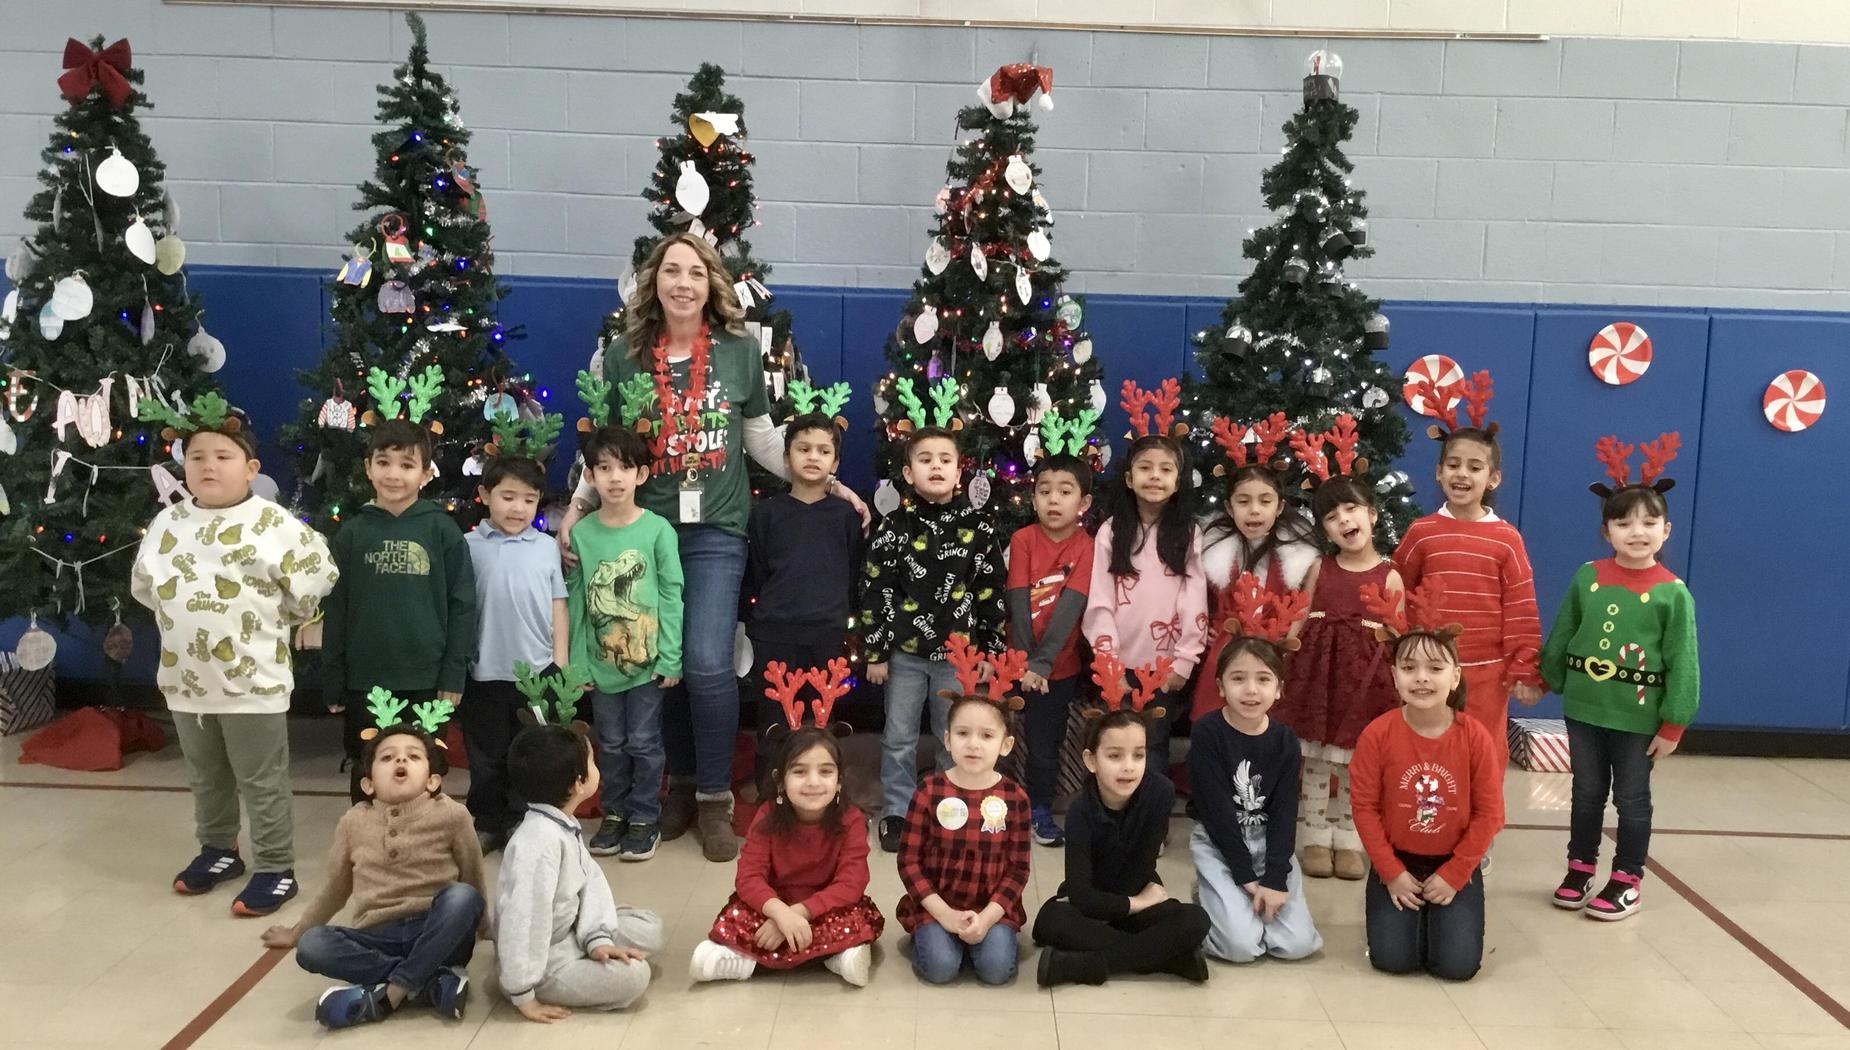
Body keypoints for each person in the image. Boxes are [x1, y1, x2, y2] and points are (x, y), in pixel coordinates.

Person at [556, 233, 868, 862]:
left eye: (695, 272)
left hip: (717, 528)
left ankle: (715, 800)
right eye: (670, 271)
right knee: (654, 664)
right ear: (654, 282)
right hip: (643, 532)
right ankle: (675, 788)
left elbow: (759, 437)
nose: (682, 283)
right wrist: (580, 504)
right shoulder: (623, 356)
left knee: (704, 662)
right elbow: (611, 447)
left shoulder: (737, 351)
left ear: (712, 284)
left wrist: (827, 479)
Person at [130, 399, 336, 916]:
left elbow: (314, 578)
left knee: (260, 778)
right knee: (207, 776)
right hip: (186, 681)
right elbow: (146, 587)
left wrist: (282, 619)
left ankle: (275, 866)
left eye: (222, 456)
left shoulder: (272, 523)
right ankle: (218, 850)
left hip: (253, 682)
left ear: (249, 468)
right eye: (196, 456)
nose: (207, 466)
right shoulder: (167, 523)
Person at [1541, 434, 1699, 921]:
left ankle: (1627, 878)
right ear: (1606, 529)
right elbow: (1565, 631)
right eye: (1624, 521)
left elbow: (1684, 662)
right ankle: (1580, 867)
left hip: (1637, 716)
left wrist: (1673, 723)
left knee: (1632, 797)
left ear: (1667, 530)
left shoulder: (1674, 594)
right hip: (1585, 709)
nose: (1637, 531)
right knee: (1586, 791)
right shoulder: (1587, 576)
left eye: (1650, 522)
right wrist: (1546, 678)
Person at [260, 706, 487, 1028]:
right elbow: (336, 888)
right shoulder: (353, 822)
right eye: (387, 757)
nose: (400, 761)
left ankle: (392, 993)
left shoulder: (452, 814)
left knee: (462, 896)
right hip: (378, 934)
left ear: (433, 779)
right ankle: (430, 981)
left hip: (437, 929)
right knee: (312, 946)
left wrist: (487, 929)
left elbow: (473, 874)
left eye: (413, 756)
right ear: (367, 784)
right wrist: (298, 931)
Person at [690, 660, 883, 986]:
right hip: (773, 907)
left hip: (824, 909)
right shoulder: (767, 816)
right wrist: (780, 913)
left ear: (838, 781)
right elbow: (748, 877)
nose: (813, 782)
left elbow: (851, 883)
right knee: (737, 917)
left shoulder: (850, 820)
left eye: (825, 772)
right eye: (799, 771)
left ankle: (837, 957)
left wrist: (801, 913)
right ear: (780, 781)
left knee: (857, 920)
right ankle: (744, 961)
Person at [861, 426, 1007, 853]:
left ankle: (951, 808)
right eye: (925, 460)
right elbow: (875, 589)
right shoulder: (893, 528)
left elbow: (990, 592)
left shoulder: (979, 527)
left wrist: (989, 652)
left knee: (955, 736)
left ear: (959, 473)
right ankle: (897, 811)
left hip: (958, 658)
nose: (936, 467)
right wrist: (876, 651)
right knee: (899, 735)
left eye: (945, 459)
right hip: (904, 655)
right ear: (909, 473)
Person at [1393, 372, 1543, 783]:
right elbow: (1396, 593)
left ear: (1492, 479)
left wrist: (1524, 668)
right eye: (1453, 465)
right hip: (1428, 667)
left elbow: (1521, 608)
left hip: (1486, 672)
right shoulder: (1421, 532)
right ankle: (1423, 822)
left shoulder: (1507, 539)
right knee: (1425, 747)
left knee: (1481, 753)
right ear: (1439, 472)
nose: (1462, 474)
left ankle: (1479, 831)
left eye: (1474, 467)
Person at [1349, 584, 1504, 981]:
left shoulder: (1473, 737)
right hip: (1398, 861)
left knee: (1457, 967)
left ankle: (1444, 918)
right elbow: (1364, 808)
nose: (1422, 679)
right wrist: (1390, 871)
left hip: (1454, 861)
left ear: (1455, 678)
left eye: (1435, 669)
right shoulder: (1377, 735)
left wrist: (1455, 874)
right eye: (1409, 668)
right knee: (1393, 961)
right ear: (1394, 676)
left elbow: (1490, 814)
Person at [322, 417, 477, 804]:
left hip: (427, 676)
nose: (394, 474)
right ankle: (368, 847)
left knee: (426, 768)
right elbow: (337, 606)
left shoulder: (442, 531)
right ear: (368, 468)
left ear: (426, 474)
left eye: (407, 465)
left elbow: (462, 604)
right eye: (384, 462)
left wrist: (453, 672)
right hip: (366, 678)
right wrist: (334, 673)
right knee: (369, 766)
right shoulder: (353, 533)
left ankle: (423, 848)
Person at [1033, 652, 1211, 986]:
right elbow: (1082, 895)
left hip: (1130, 899)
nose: (1128, 766)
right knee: (1052, 920)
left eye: (1138, 755)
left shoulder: (1159, 793)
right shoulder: (1080, 812)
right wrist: (1135, 903)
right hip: (1096, 906)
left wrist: (1134, 903)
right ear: (1091, 760)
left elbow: (1139, 873)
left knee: (1195, 920)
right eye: (1114, 756)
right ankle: (1167, 959)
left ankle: (1082, 966)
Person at [1279, 421, 1404, 881]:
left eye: (1352, 510)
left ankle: (1352, 840)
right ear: (1325, 529)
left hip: (1368, 683)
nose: (1344, 521)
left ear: (1371, 514)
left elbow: (1399, 634)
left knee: (1358, 767)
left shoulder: (1390, 575)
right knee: (1314, 762)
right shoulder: (1320, 568)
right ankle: (1314, 835)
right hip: (1319, 679)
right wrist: (1283, 662)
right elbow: (1299, 617)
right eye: (1332, 517)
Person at [1189, 577, 1323, 965]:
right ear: (1221, 686)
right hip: (1221, 842)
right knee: (1241, 948)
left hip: (1269, 843)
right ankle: (1210, 897)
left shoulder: (1284, 740)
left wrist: (1275, 878)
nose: (1251, 690)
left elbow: (1283, 812)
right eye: (1238, 679)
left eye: (1263, 680)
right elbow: (1214, 811)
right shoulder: (1209, 732)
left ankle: (1242, 906)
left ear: (1279, 689)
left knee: (1296, 946)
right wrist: (1246, 877)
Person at [496, 720, 664, 1021]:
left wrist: (597, 939)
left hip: (573, 927)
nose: (596, 766)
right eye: (592, 761)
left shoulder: (561, 822)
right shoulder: (537, 842)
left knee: (649, 927)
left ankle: (590, 944)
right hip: (547, 960)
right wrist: (523, 994)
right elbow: (524, 919)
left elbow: (590, 883)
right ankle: (530, 981)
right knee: (635, 976)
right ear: (578, 783)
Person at [568, 425, 683, 861]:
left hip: (648, 664)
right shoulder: (583, 534)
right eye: (604, 468)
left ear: (642, 475)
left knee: (644, 741)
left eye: (625, 467)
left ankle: (643, 816)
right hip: (600, 664)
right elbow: (577, 602)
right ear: (591, 476)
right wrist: (577, 664)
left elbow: (672, 594)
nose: (615, 477)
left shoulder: (657, 531)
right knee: (611, 743)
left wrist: (670, 656)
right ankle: (614, 813)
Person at [743, 400, 863, 796]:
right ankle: (770, 793)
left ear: (835, 462)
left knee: (822, 716)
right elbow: (757, 571)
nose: (813, 457)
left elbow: (853, 572)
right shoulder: (766, 514)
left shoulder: (845, 515)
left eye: (824, 450)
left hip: (827, 633)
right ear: (786, 456)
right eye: (804, 448)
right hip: (776, 633)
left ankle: (823, 793)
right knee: (775, 717)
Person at [1083, 398, 1207, 781]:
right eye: (1145, 468)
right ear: (1128, 477)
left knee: (1152, 742)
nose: (1155, 476)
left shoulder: (1188, 533)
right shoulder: (1111, 531)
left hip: (1165, 666)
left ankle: (1149, 824)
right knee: (1115, 741)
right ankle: (1113, 818)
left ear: (1177, 480)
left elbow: (1194, 598)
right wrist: (1110, 663)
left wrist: (1184, 659)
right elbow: (1099, 601)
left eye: (1166, 470)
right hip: (1117, 664)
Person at [896, 638, 1032, 985]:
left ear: (1005, 745)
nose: (973, 743)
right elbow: (909, 862)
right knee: (940, 970)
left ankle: (978, 939)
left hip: (991, 908)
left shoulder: (1014, 797)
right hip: (937, 904)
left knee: (996, 971)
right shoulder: (929, 790)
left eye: (986, 735)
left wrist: (987, 919)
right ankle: (935, 939)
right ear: (947, 739)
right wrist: (943, 914)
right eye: (963, 733)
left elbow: (1018, 870)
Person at [462, 454, 568, 854]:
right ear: (485, 495)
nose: (518, 507)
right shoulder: (467, 546)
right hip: (484, 671)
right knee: (487, 756)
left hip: (537, 672)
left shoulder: (545, 547)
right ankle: (488, 821)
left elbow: (559, 603)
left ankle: (526, 824)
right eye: (507, 496)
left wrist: (560, 661)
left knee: (532, 754)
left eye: (528, 499)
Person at [1192, 413, 1318, 725]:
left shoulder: (1298, 559)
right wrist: (1204, 628)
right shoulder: (1213, 552)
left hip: (1273, 654)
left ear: (1278, 507)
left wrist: (1286, 643)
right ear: (1228, 507)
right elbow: (1195, 599)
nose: (1254, 510)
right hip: (1226, 652)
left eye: (1265, 501)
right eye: (1244, 501)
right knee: (1215, 727)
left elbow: (1302, 612)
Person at [1006, 452, 1096, 846]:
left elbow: (1070, 610)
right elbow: (1018, 600)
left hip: (1058, 670)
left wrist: (1042, 666)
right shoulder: (1023, 539)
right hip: (1015, 663)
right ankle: (995, 805)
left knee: (1046, 745)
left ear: (1084, 503)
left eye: (1065, 492)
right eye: (1045, 491)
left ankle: (1040, 810)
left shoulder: (1088, 547)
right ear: (1033, 498)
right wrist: (1026, 662)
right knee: (1000, 736)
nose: (1054, 500)